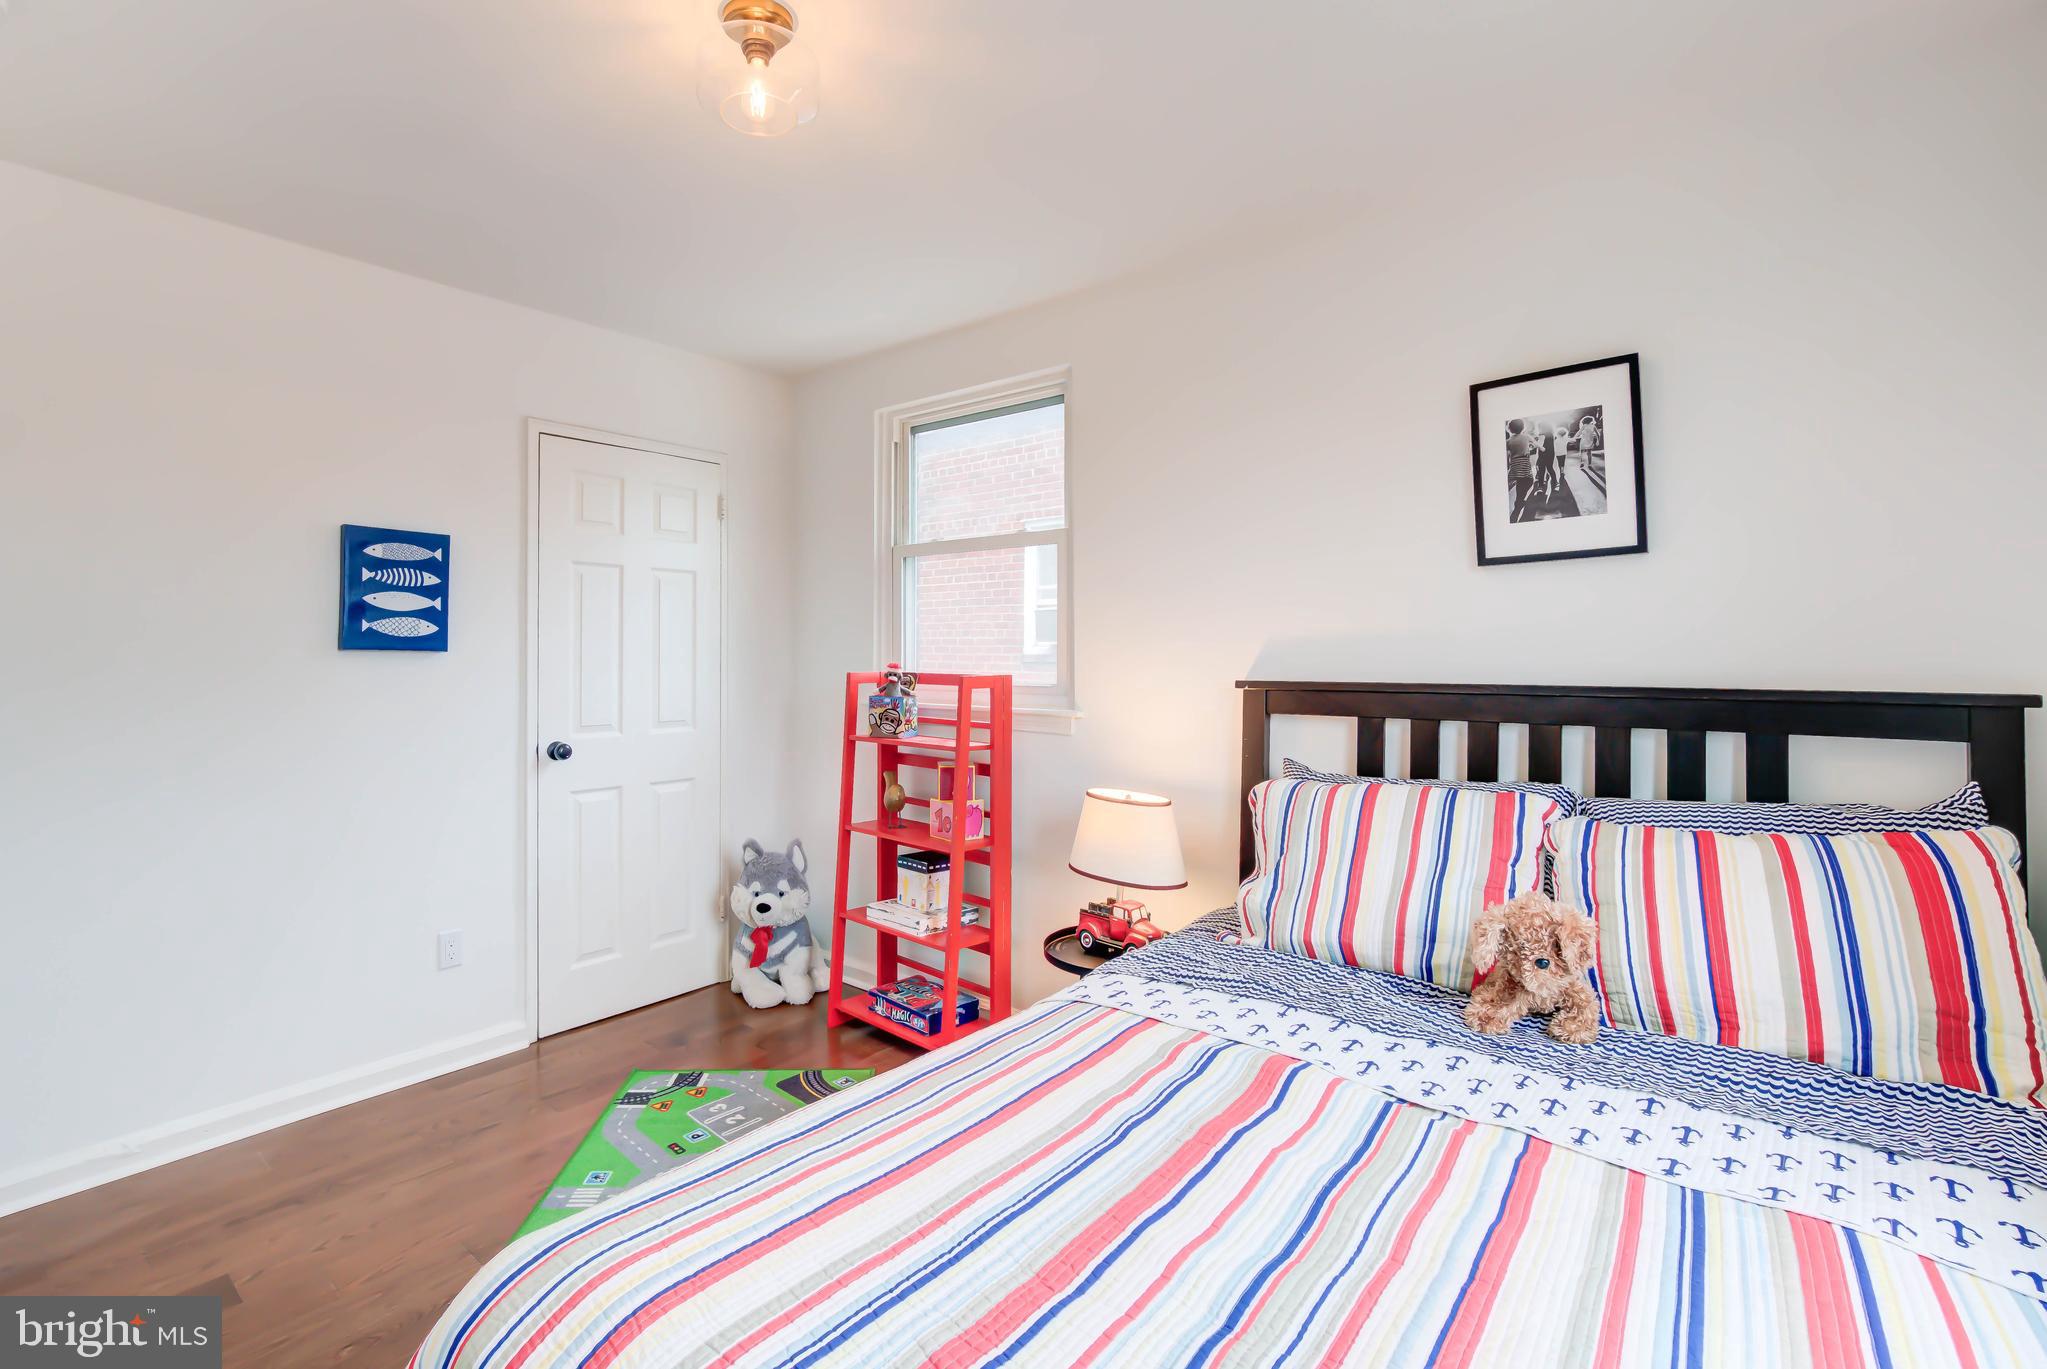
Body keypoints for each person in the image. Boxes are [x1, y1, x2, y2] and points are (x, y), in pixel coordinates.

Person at [1504, 419, 1535, 520]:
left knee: (1520, 482)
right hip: (1524, 464)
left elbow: (1507, 454)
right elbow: (1533, 444)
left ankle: (1519, 501)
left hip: (1515, 464)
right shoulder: (1525, 437)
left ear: (1509, 429)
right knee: (1529, 481)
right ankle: (1519, 501)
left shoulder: (1508, 441)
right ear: (1523, 427)